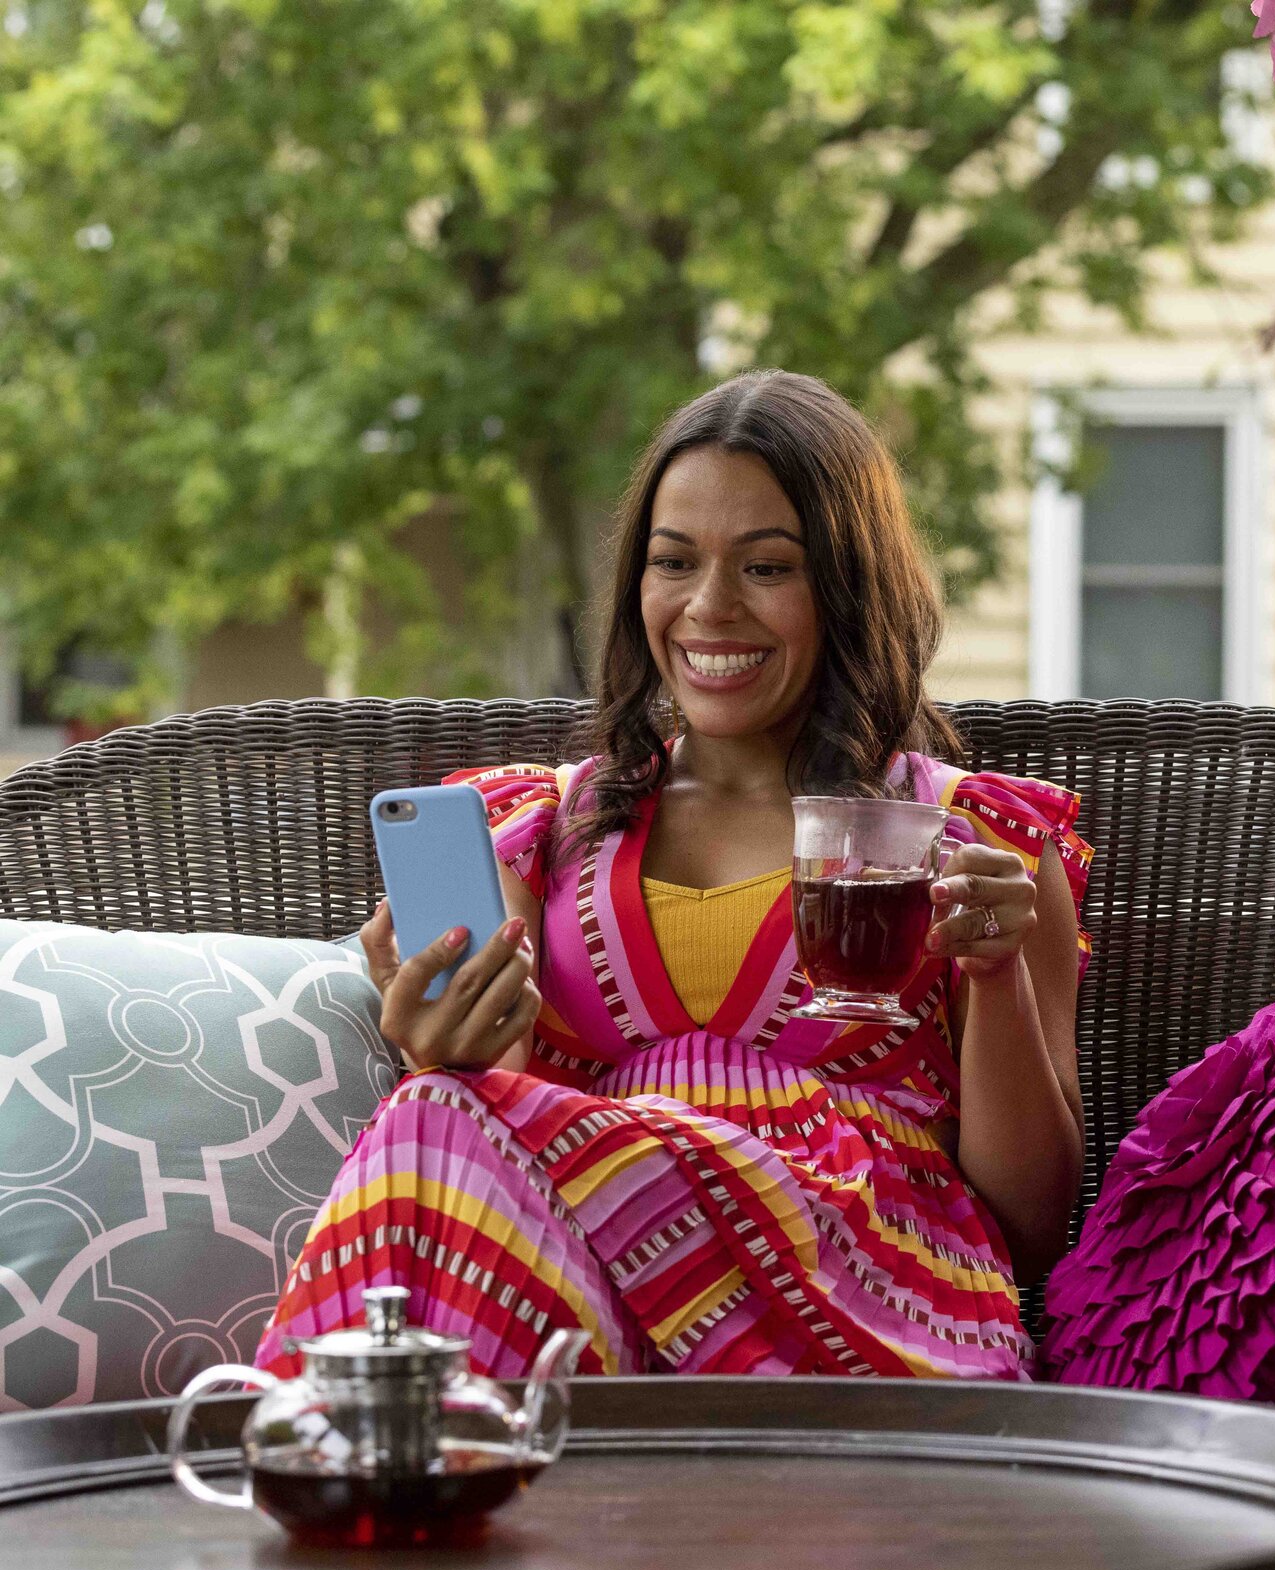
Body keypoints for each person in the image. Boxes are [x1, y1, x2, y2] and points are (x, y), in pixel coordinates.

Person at [257, 371, 1089, 1381]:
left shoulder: (972, 839)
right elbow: (492, 1153)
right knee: (433, 1110)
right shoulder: (534, 831)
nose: (708, 606)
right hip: (594, 1313)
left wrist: (995, 976)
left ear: (847, 583)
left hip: (871, 1315)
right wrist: (443, 1050)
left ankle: (311, 1450)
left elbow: (1033, 1225)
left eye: (768, 567)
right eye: (672, 561)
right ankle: (370, 1475)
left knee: (433, 1121)